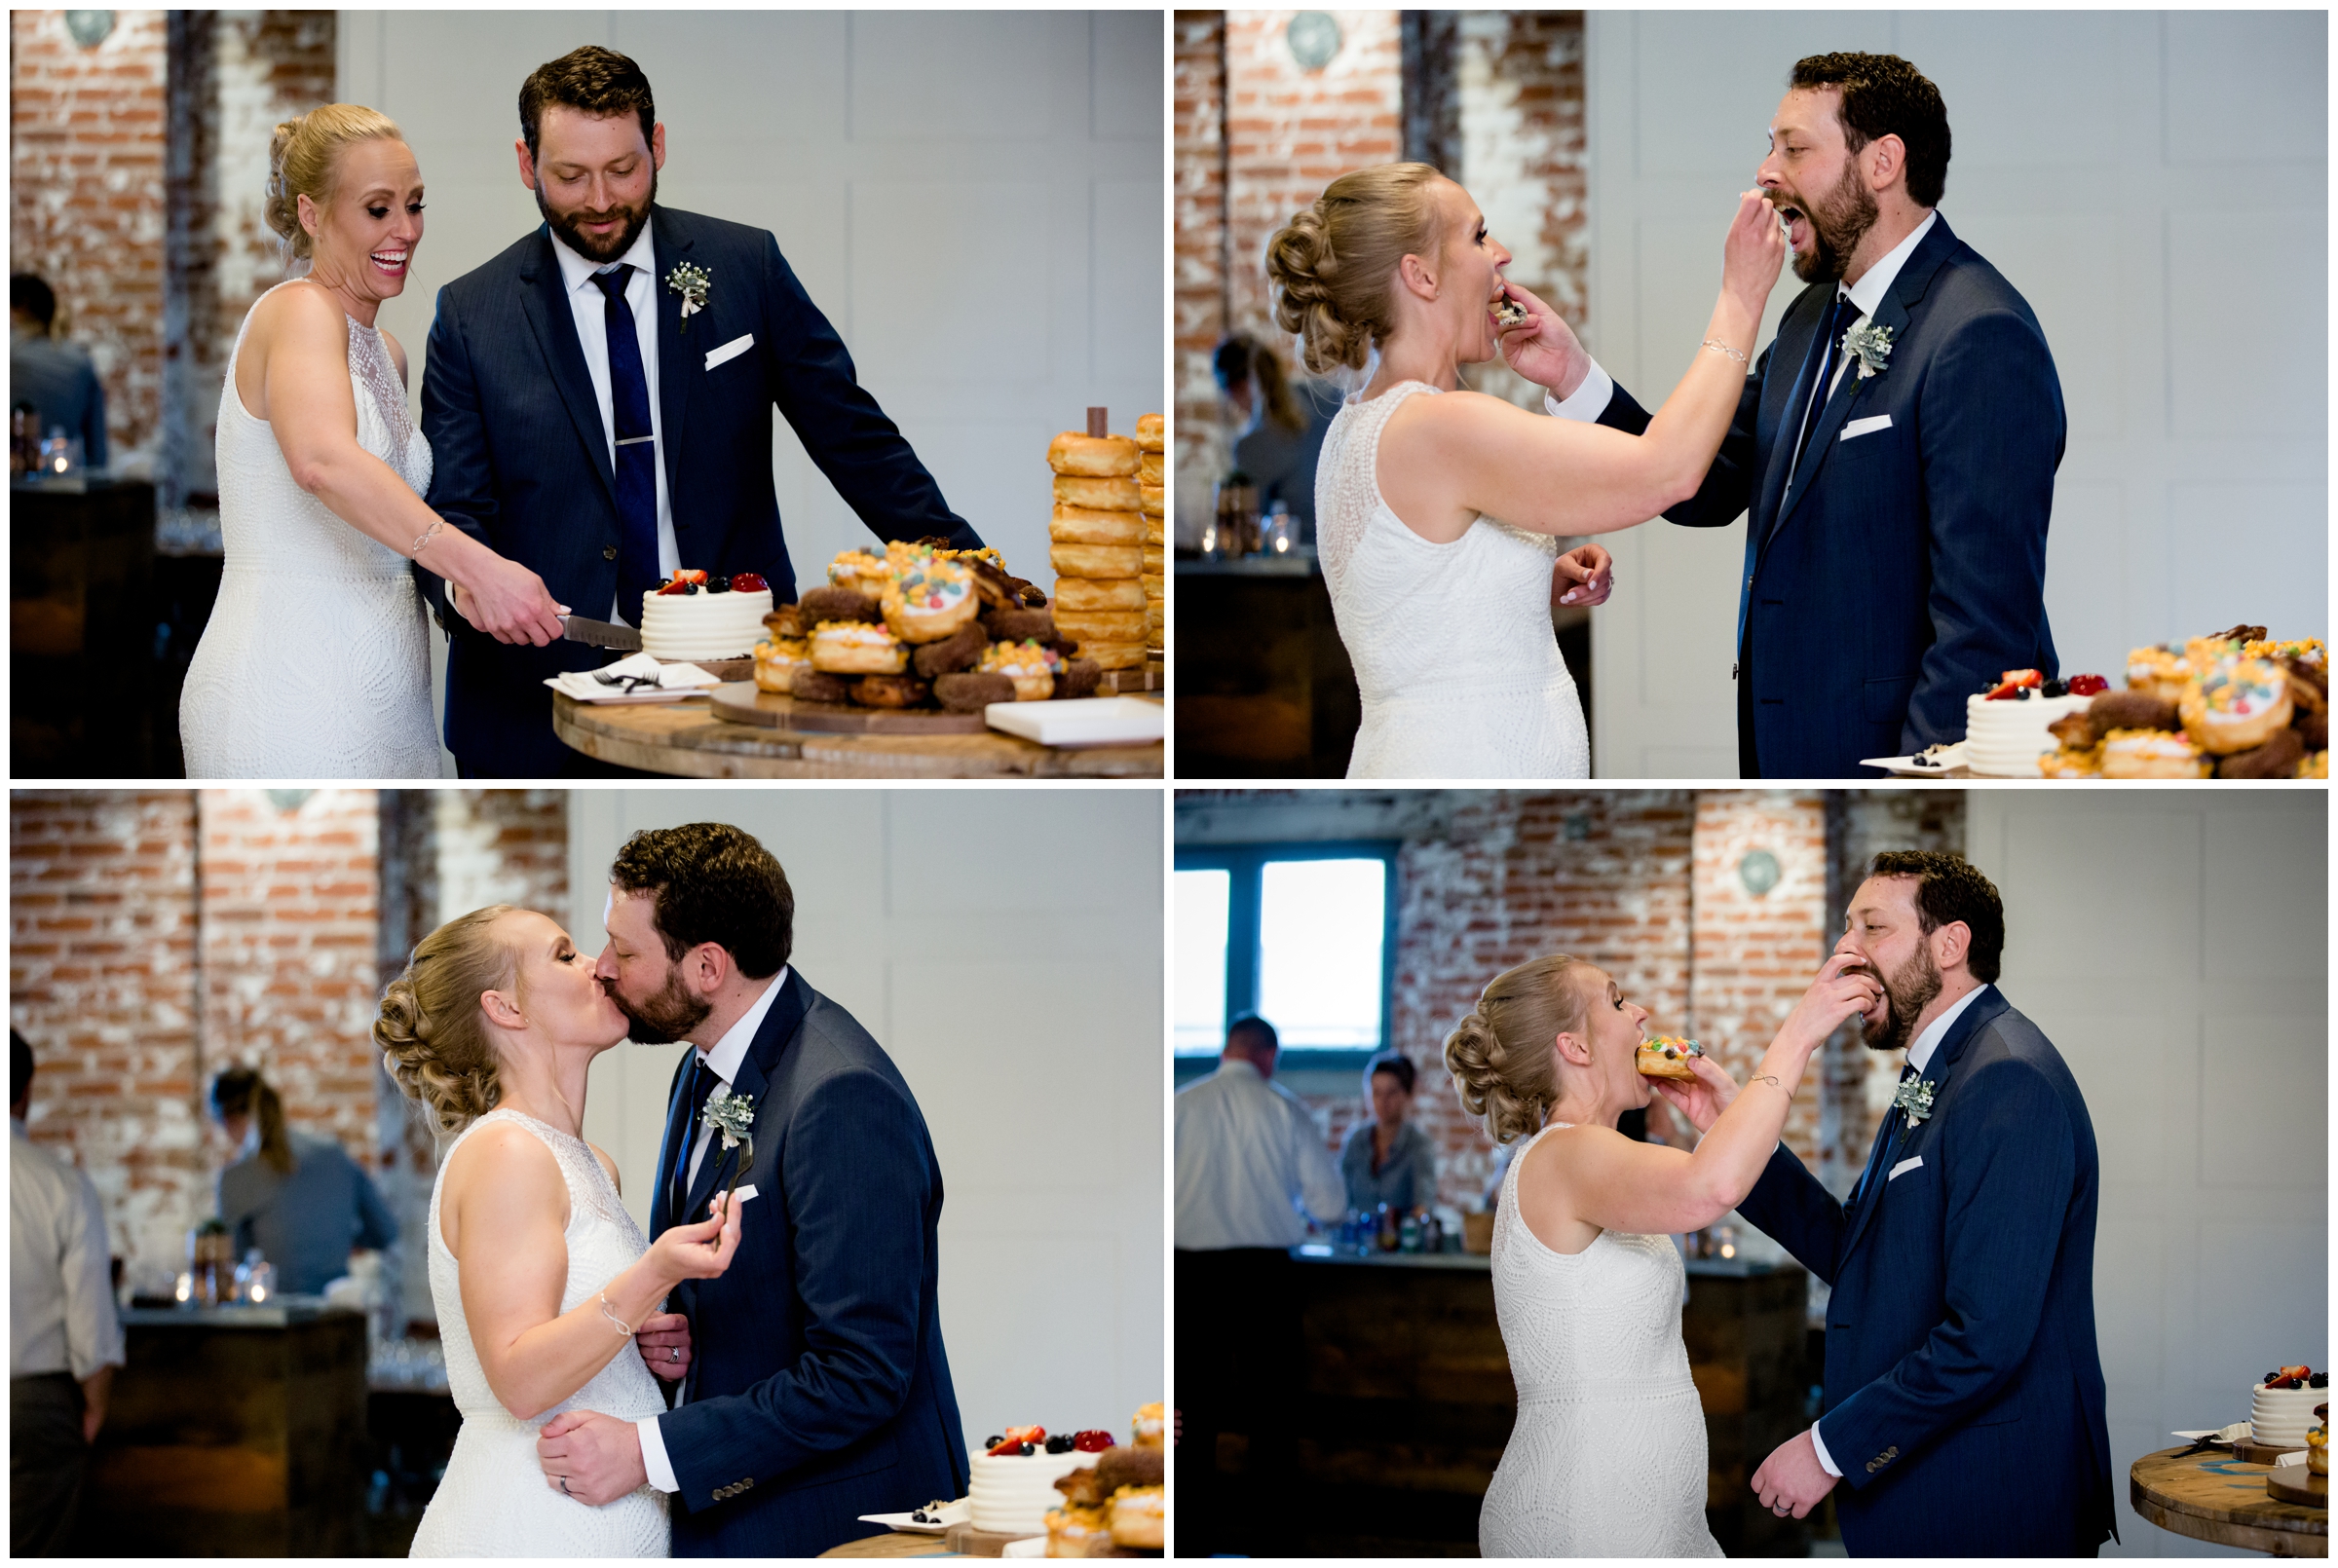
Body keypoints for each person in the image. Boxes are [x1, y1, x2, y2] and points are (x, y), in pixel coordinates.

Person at [420, 48, 988, 778]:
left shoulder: (746, 265)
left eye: (623, 170)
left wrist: (969, 574)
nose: (599, 200)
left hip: (734, 680)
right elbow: (454, 509)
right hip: (532, 701)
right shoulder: (471, 314)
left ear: (657, 147)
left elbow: (856, 438)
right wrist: (467, 586)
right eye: (570, 176)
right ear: (527, 164)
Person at [1516, 54, 2063, 778]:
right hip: (1787, 747)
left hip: (1888, 759)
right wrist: (1575, 377)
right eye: (1771, 146)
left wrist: (1905, 784)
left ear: (1883, 163)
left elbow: (1985, 629)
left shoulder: (1979, 333)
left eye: (1794, 148)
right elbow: (1702, 479)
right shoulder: (1811, 316)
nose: (1766, 172)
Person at [1264, 166, 1782, 779]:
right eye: (1479, 237)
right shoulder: (1441, 427)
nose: (1501, 255)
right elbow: (1666, 472)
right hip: (1462, 763)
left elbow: (1411, 599)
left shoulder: (1361, 423)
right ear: (1420, 274)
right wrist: (1740, 299)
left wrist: (1524, 580)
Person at [533, 823, 965, 1557]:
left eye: (626, 950)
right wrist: (671, 1337)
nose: (603, 968)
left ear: (706, 967)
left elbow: (861, 1373)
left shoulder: (843, 1096)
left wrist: (649, 1452)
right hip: (738, 1517)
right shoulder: (700, 1068)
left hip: (834, 1527)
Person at [1712, 852, 2113, 1555]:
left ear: (1950, 945)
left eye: (1873, 927)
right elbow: (1863, 1257)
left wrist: (1829, 1447)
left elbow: (1985, 1337)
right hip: (1936, 1485)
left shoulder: (2007, 1079)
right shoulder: (1939, 1069)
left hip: (1990, 1495)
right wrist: (1733, 1130)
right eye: (1846, 929)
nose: (1847, 951)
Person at [1443, 952, 1882, 1555]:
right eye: (1619, 1002)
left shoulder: (1600, 1155)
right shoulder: (1565, 1155)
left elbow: (1708, 1175)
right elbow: (1711, 1188)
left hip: (1638, 1510)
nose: (1642, 1012)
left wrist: (1719, 1115)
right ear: (1575, 1047)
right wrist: (1798, 1033)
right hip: (1584, 1511)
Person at [178, 104, 568, 779]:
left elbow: (384, 525)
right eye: (377, 209)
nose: (405, 231)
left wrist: (457, 589)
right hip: (285, 679)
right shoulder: (296, 311)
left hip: (388, 687)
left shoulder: (386, 353)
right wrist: (476, 566)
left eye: (413, 206)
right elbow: (323, 462)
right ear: (311, 214)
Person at [375, 904, 744, 1556]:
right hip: (533, 1523)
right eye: (564, 954)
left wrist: (641, 1346)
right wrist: (654, 1274)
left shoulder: (589, 1163)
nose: (600, 967)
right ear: (506, 1008)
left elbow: (570, 1333)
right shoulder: (506, 1155)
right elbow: (519, 1379)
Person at [1172, 1015, 1343, 1554]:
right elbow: (1331, 1206)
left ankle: (1186, 1545)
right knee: (1272, 1425)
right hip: (1265, 1279)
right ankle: (1273, 1552)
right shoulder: (1285, 1109)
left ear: (1228, 1050)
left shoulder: (1179, 1104)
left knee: (1190, 1425)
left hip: (1190, 1277)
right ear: (1268, 1056)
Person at [11, 1030, 127, 1556]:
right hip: (32, 1410)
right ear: (27, 1090)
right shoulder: (61, 1186)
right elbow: (91, 1321)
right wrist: (94, 1405)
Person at [209, 1066, 398, 1296]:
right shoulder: (335, 1155)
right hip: (337, 1314)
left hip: (273, 1320)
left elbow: (231, 1265)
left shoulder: (236, 1177)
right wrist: (341, 1238)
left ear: (228, 1119)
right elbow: (386, 1230)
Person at [1212, 333, 1338, 541]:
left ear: (1236, 388)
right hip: (1347, 549)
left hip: (1295, 564)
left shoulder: (1250, 447)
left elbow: (1247, 530)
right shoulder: (1326, 398)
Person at [10, 276, 108, 469]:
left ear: (18, 310)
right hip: (61, 484)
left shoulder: (10, 353)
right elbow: (97, 450)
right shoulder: (80, 361)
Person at [1339, 1050, 1437, 1216]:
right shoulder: (1356, 1141)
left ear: (1407, 1094)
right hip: (1358, 1237)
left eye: (1391, 1093)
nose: (1383, 1102)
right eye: (1376, 1093)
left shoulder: (1418, 1144)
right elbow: (1339, 1197)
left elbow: (1423, 1204)